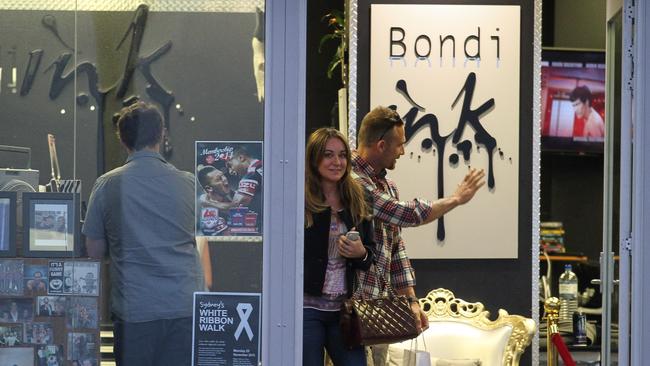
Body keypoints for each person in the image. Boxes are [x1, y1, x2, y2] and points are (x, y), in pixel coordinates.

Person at [351, 106, 485, 365]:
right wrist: (455, 199)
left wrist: (411, 300)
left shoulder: (387, 184)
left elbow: (396, 248)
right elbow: (405, 214)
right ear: (380, 145)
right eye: (399, 145)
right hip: (351, 308)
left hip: (379, 309)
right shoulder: (353, 180)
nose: (402, 151)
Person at [83, 102, 204, 366]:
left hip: (135, 311)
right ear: (162, 134)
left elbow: (94, 251)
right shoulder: (189, 184)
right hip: (183, 308)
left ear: (123, 141)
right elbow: (205, 237)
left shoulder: (107, 185)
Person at [303, 128, 376, 366]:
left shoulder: (359, 196)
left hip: (344, 311)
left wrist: (361, 253)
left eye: (342, 155)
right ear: (314, 159)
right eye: (328, 155)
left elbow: (370, 255)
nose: (337, 162)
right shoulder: (299, 198)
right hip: (305, 308)